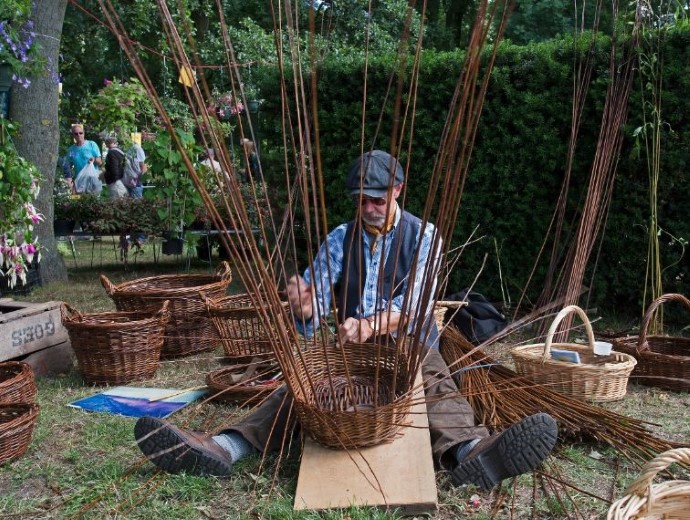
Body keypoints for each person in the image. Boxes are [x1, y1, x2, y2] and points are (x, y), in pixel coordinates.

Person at [134, 150, 558, 491]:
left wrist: (372, 326)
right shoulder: (340, 238)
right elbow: (315, 301)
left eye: (377, 198)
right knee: (301, 384)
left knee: (430, 375)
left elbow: (415, 305)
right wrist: (304, 306)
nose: (369, 208)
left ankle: (470, 452)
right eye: (361, 200)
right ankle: (226, 447)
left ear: (398, 189)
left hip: (407, 342)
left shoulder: (424, 236)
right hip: (352, 350)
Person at [65, 124, 102, 193]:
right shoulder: (72, 150)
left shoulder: (91, 144)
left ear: (84, 133)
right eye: (76, 134)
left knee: (93, 201)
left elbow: (100, 161)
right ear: (73, 135)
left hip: (92, 178)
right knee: (79, 200)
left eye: (80, 133)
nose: (79, 135)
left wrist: (94, 159)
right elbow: (67, 165)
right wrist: (69, 179)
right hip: (79, 180)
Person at [124, 132, 148, 199]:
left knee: (137, 205)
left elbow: (143, 166)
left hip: (135, 183)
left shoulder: (137, 149)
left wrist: (138, 180)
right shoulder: (126, 149)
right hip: (126, 182)